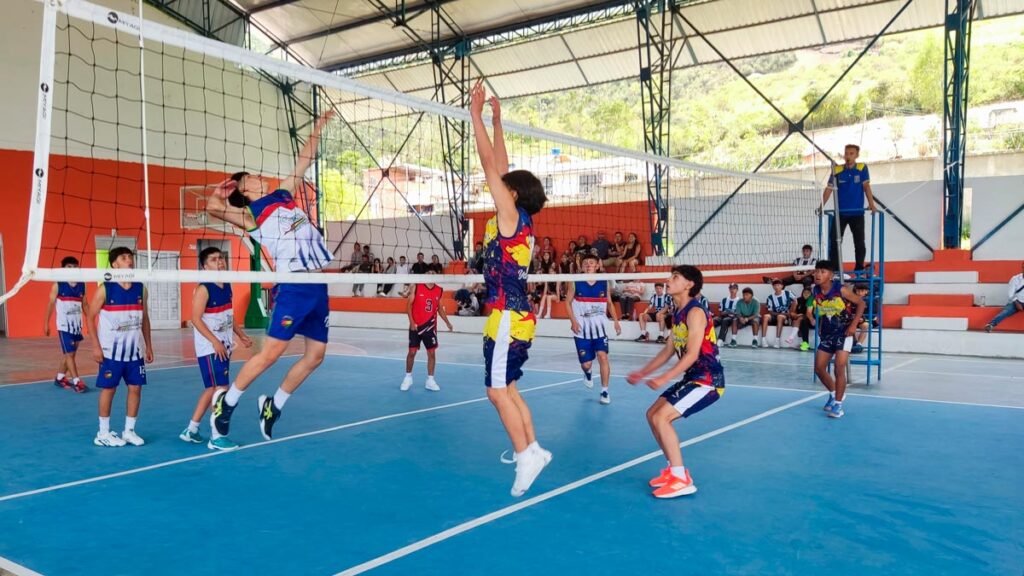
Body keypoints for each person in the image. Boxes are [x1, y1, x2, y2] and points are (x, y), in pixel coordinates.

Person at [206, 109, 333, 442]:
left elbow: (303, 161)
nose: (258, 178)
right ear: (243, 189)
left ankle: (273, 406)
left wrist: (318, 127)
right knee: (272, 353)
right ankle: (227, 403)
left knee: (316, 356)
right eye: (250, 178)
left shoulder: (282, 194)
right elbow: (213, 210)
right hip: (293, 286)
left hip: (317, 284)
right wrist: (217, 196)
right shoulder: (251, 215)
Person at [470, 79, 550, 497]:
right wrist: (498, 121)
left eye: (505, 187)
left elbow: (488, 165)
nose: (497, 186)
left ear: (512, 194)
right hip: (513, 315)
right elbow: (500, 166)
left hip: (508, 315)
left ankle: (525, 457)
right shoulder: (520, 219)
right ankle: (534, 447)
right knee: (510, 388)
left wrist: (475, 114)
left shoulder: (510, 216)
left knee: (495, 390)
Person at [627, 265, 724, 499]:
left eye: (675, 277)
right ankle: (674, 470)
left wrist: (664, 378)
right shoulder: (678, 312)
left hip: (708, 381)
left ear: (689, 284)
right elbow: (669, 350)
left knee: (662, 418)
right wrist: (643, 372)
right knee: (652, 414)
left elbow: (691, 354)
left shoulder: (695, 312)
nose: (668, 281)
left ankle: (681, 479)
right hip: (693, 378)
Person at [181, 247, 253, 450]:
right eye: (214, 259)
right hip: (210, 348)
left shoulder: (226, 284)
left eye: (221, 258)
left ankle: (191, 430)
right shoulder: (204, 288)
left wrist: (240, 335)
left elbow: (228, 316)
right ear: (205, 266)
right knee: (220, 390)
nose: (219, 261)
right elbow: (195, 319)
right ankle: (217, 436)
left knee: (212, 388)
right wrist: (214, 341)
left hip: (223, 345)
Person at [86, 247, 154, 447]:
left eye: (131, 257)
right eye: (124, 258)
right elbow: (90, 317)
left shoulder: (141, 289)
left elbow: (145, 319)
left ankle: (129, 431)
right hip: (110, 353)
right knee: (109, 389)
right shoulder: (105, 289)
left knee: (135, 389)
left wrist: (148, 345)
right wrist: (95, 346)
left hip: (135, 353)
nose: (129, 260)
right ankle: (103, 433)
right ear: (115, 264)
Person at [809, 260, 865, 419]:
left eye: (823, 272)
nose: (818, 274)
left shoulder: (841, 289)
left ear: (831, 275)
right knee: (819, 368)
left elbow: (860, 304)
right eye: (817, 271)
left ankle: (838, 405)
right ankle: (834, 394)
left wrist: (854, 326)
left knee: (839, 367)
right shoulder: (815, 290)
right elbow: (821, 310)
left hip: (844, 333)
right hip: (827, 334)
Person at [567, 254, 621, 405]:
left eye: (592, 262)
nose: (589, 265)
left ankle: (605, 391)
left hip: (600, 329)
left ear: (598, 266)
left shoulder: (604, 282)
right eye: (585, 263)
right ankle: (588, 373)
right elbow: (567, 303)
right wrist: (573, 321)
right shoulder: (575, 281)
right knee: (587, 364)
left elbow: (609, 303)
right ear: (582, 266)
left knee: (603, 357)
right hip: (581, 330)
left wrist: (616, 321)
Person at [820, 145, 877, 274]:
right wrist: (821, 206)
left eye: (851, 154)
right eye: (846, 153)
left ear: (856, 155)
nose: (848, 156)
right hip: (840, 213)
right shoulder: (837, 170)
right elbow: (829, 188)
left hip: (857, 213)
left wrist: (872, 204)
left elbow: (866, 186)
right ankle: (835, 269)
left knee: (859, 243)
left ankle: (859, 268)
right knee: (834, 241)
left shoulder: (862, 168)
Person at [401, 271, 453, 392]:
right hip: (416, 326)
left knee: (431, 354)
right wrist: (412, 322)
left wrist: (447, 322)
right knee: (412, 352)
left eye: (433, 272)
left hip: (430, 327)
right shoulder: (417, 286)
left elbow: (439, 308)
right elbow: (408, 306)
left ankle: (430, 380)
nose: (431, 273)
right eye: (428, 272)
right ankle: (408, 377)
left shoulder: (439, 290)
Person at [43, 256, 89, 393]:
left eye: (75, 267)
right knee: (69, 354)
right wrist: (46, 323)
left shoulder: (82, 284)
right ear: (63, 269)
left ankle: (60, 377)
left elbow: (85, 305)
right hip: (64, 327)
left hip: (77, 326)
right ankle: (77, 381)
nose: (72, 269)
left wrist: (91, 321)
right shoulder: (58, 285)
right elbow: (50, 304)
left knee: (70, 355)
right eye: (69, 267)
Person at [984, 261, 1024, 332]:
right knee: (1006, 312)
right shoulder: (1015, 278)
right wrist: (1017, 303)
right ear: (1022, 267)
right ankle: (990, 325)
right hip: (1016, 302)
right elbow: (1010, 294)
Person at [761, 279, 795, 348]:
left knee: (780, 317)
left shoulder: (788, 293)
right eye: (775, 285)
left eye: (778, 285)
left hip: (786, 317)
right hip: (775, 316)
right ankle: (763, 339)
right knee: (765, 316)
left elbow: (795, 301)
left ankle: (777, 340)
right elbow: (770, 311)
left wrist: (791, 312)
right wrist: (781, 314)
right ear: (773, 287)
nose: (777, 287)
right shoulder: (770, 297)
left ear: (782, 286)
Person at [784, 286, 815, 351]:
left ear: (811, 294)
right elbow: (791, 313)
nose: (806, 294)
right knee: (801, 320)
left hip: (811, 319)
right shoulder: (798, 300)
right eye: (804, 292)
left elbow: (809, 313)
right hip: (801, 319)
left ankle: (791, 337)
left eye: (808, 293)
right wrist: (796, 315)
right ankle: (805, 343)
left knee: (801, 319)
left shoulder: (812, 300)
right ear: (802, 293)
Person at [715, 283, 740, 347]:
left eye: (734, 288)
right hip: (723, 316)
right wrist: (725, 313)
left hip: (733, 318)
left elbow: (739, 313)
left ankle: (721, 340)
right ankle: (712, 338)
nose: (732, 290)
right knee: (713, 321)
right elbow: (720, 312)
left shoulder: (739, 301)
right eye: (731, 288)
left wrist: (731, 313)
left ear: (737, 290)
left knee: (725, 320)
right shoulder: (724, 300)